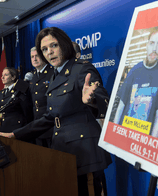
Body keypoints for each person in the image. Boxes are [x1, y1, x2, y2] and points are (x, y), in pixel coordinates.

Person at [0, 27, 112, 196]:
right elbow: (50, 117)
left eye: (54, 46)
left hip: (85, 150)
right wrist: (15, 135)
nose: (49, 52)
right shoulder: (55, 75)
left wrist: (92, 99)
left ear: (64, 45)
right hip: (63, 149)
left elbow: (102, 98)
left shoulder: (81, 68)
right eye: (44, 49)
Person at [113, 24, 158, 137]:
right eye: (152, 43)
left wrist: (152, 142)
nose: (154, 49)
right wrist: (113, 133)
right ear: (147, 44)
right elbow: (121, 105)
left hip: (143, 136)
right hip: (124, 132)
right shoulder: (135, 70)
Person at [29, 46, 54, 148]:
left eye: (37, 56)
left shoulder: (52, 72)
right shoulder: (31, 76)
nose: (34, 59)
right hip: (37, 123)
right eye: (32, 57)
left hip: (50, 123)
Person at [0, 67, 33, 133]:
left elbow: (27, 110)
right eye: (2, 75)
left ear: (13, 77)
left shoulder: (20, 90)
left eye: (6, 75)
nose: (2, 77)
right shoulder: (2, 92)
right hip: (4, 127)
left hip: (16, 128)